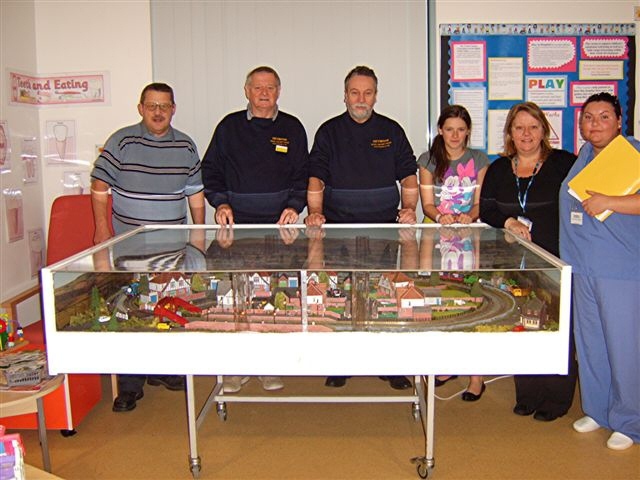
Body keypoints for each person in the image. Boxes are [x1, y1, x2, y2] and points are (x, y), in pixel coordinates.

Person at [91, 82, 205, 412]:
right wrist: (102, 229)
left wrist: (198, 236)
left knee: (167, 307)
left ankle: (165, 371)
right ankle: (130, 385)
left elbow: (195, 195)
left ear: (173, 109)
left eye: (165, 106)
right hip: (128, 248)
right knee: (128, 311)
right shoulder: (122, 140)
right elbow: (100, 187)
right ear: (141, 108)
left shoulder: (185, 146)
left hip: (171, 250)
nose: (158, 112)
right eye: (152, 105)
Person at [305, 65, 418, 390]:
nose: (361, 99)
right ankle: (343, 362)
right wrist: (314, 213)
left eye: (367, 93)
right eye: (355, 92)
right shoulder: (328, 132)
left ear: (376, 96)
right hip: (338, 231)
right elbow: (317, 176)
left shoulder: (392, 130)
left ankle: (390, 364)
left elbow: (408, 175)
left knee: (384, 298)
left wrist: (409, 208)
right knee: (343, 299)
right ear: (345, 95)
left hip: (384, 232)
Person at [202, 65, 309, 393]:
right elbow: (211, 170)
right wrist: (219, 202)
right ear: (246, 91)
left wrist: (294, 205)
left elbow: (303, 176)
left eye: (271, 87)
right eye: (258, 87)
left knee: (273, 301)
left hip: (280, 234)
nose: (264, 93)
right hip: (235, 234)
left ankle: (269, 366)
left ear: (279, 91)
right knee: (236, 302)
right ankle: (235, 369)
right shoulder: (228, 127)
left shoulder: (292, 127)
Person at [480, 101, 578, 421]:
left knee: (556, 328)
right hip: (514, 263)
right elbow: (487, 210)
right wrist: (508, 222)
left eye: (533, 127)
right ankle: (528, 393)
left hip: (554, 260)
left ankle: (556, 398)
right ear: (509, 131)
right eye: (519, 127)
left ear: (543, 130)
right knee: (522, 326)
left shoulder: (563, 163)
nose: (526, 134)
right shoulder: (498, 168)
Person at [559, 92, 640, 450]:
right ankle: (598, 410)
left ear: (620, 121)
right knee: (590, 342)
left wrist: (611, 202)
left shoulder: (631, 153)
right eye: (589, 117)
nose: (595, 123)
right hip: (583, 266)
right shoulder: (584, 157)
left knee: (624, 346)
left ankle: (630, 420)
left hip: (619, 269)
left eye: (604, 116)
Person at [418, 104, 489, 401]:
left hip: (469, 239)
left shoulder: (480, 159)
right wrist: (440, 217)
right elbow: (427, 205)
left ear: (468, 131)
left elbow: (478, 203)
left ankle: (476, 376)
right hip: (435, 239)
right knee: (438, 303)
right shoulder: (428, 161)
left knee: (472, 302)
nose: (455, 135)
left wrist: (469, 217)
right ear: (440, 131)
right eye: (449, 129)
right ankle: (446, 366)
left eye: (461, 129)